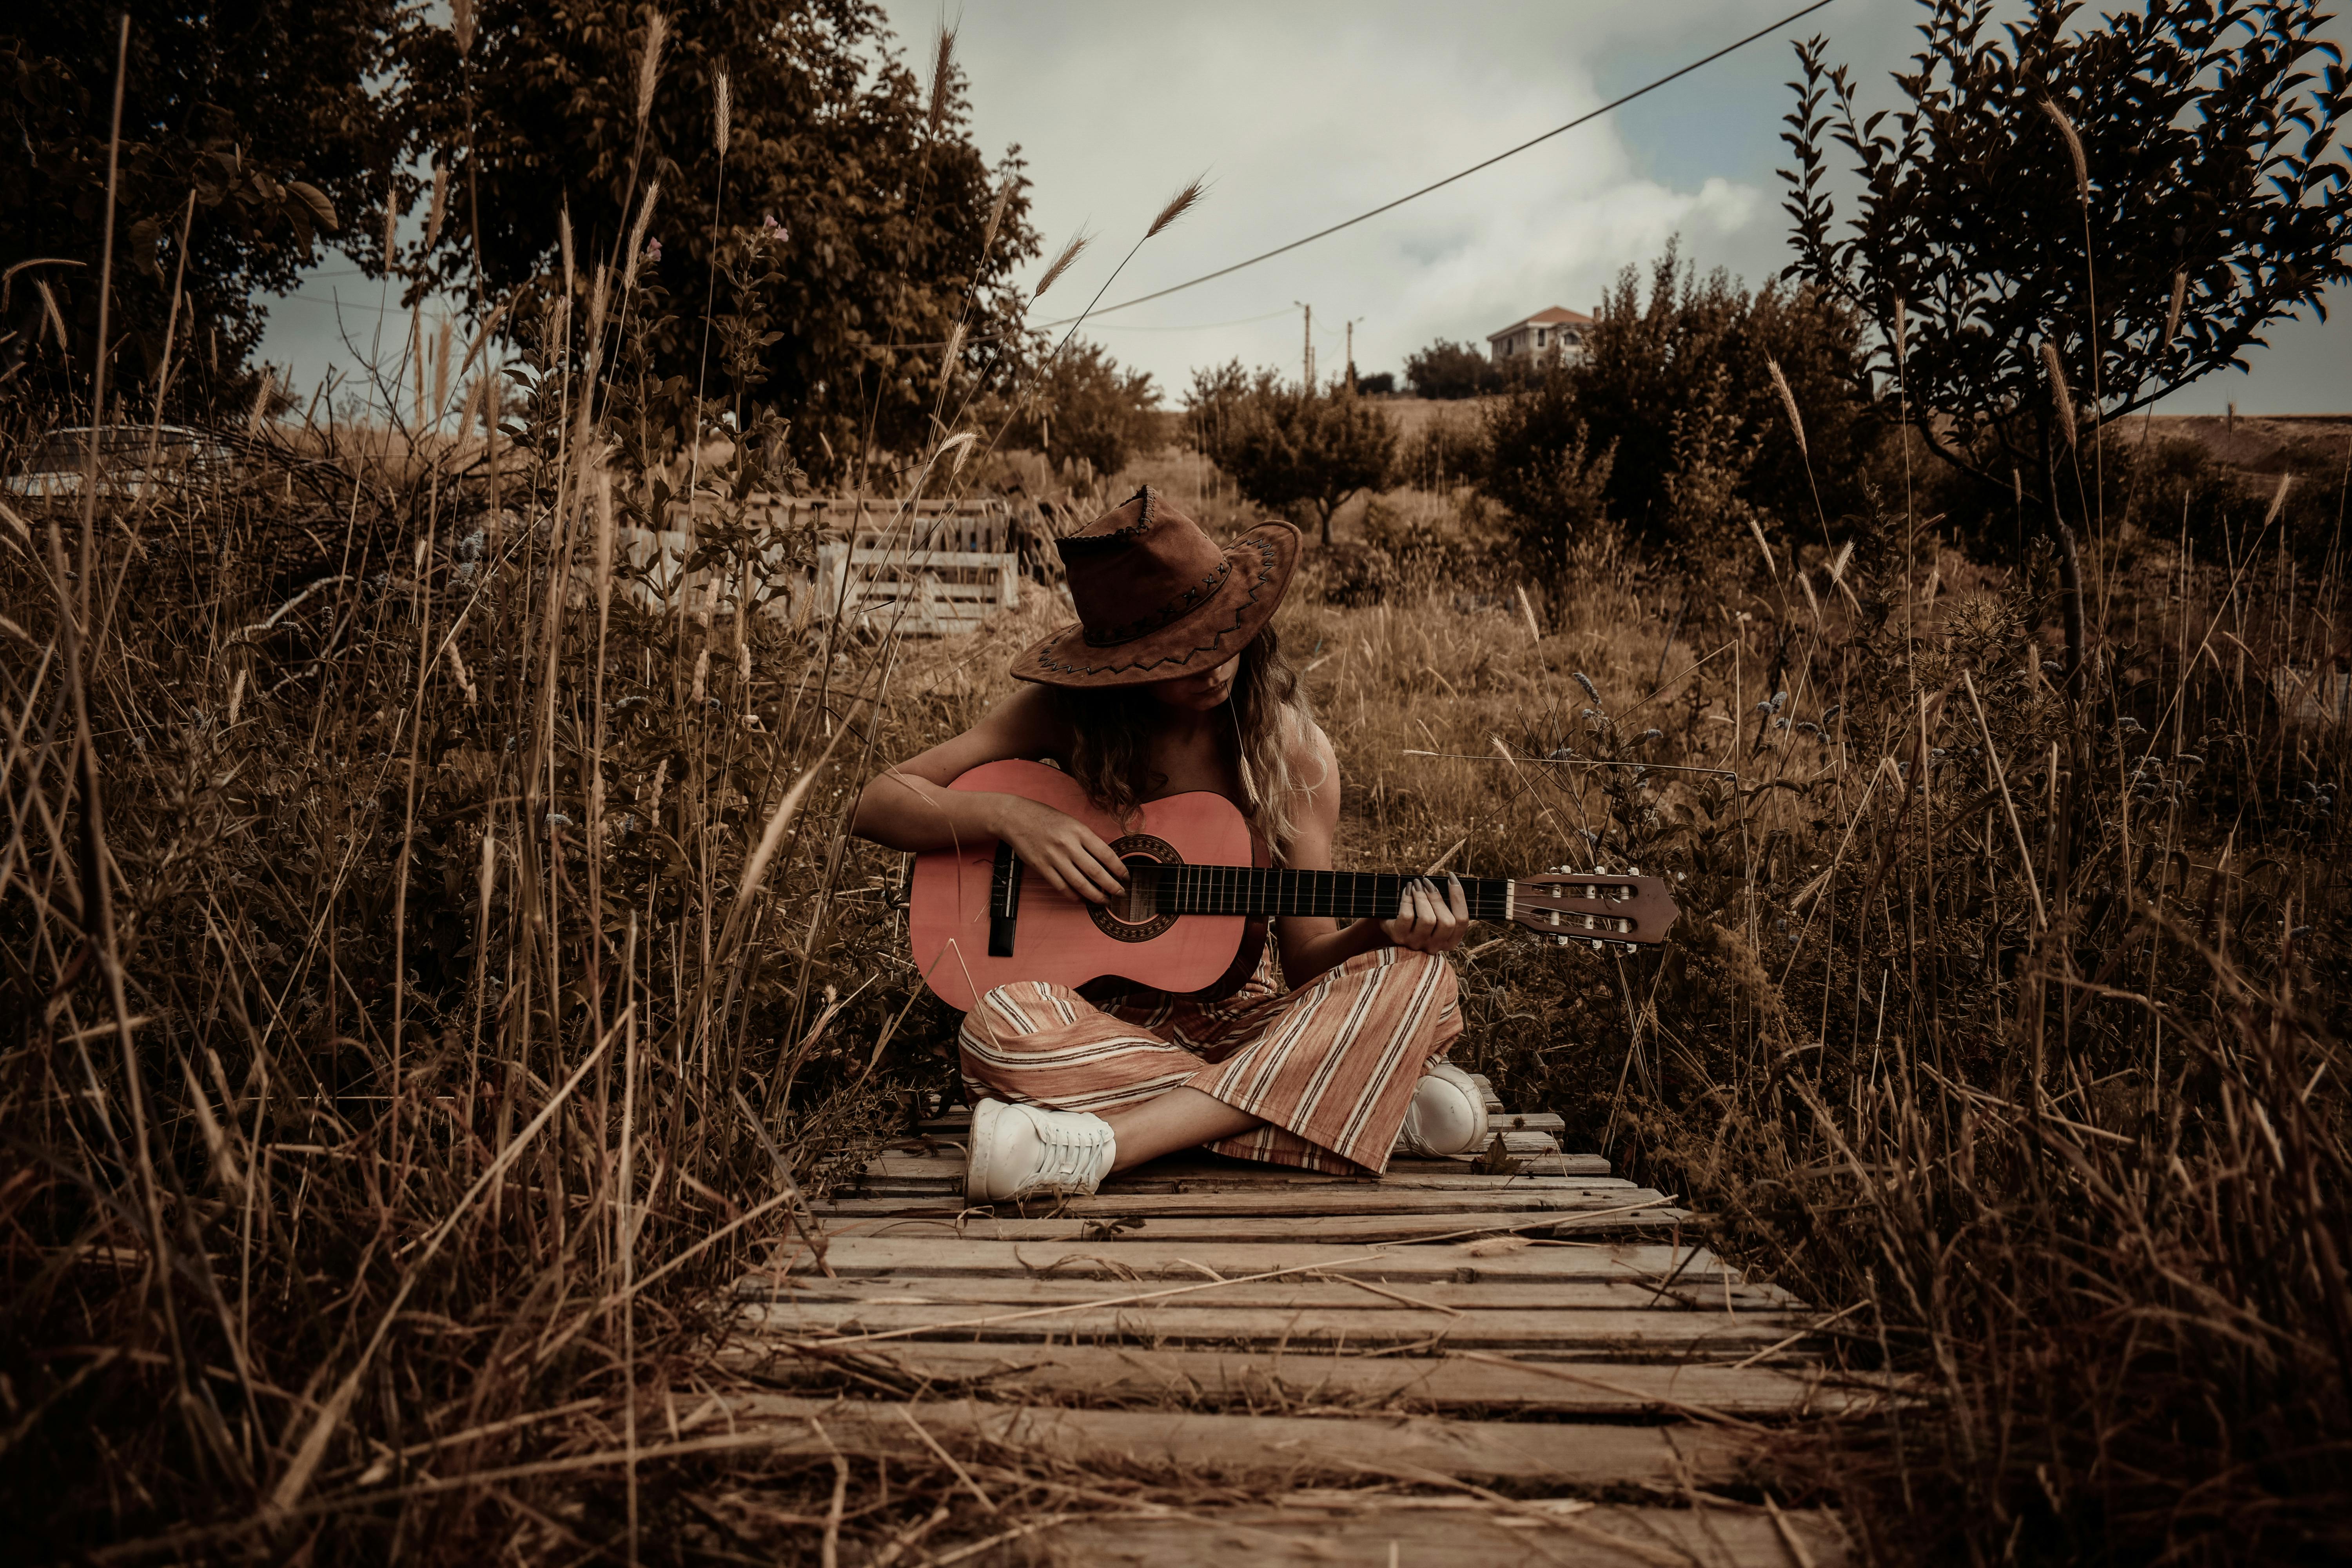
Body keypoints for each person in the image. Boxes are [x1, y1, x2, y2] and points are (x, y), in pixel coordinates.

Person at [851, 486, 1488, 1202]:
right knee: (1000, 1028)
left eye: (1223, 638)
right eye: (1179, 656)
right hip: (1097, 1024)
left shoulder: (1292, 753)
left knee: (1423, 982)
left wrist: (1381, 930)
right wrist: (1008, 817)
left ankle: (1107, 1146)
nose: (1214, 667)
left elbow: (1308, 963)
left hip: (1243, 1022)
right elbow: (875, 802)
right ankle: (1353, 1100)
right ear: (1123, 662)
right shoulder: (1065, 714)